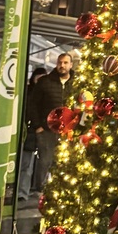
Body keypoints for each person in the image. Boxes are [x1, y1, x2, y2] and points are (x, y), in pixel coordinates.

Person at [34, 53, 74, 190]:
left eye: (65, 63)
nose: (62, 65)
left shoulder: (76, 83)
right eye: (60, 62)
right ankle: (40, 190)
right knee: (45, 161)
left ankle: (59, 189)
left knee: (63, 161)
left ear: (71, 65)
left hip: (68, 130)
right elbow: (33, 104)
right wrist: (38, 126)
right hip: (47, 130)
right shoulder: (45, 82)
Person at [17, 66, 47, 200]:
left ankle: (27, 190)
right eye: (38, 78)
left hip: (38, 131)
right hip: (28, 130)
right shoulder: (27, 92)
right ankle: (21, 191)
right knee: (25, 163)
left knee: (33, 163)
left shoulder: (45, 93)